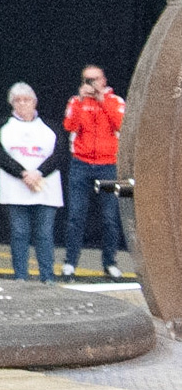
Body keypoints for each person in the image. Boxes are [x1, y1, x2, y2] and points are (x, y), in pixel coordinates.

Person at [61, 64, 126, 280]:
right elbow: (69, 126)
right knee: (76, 216)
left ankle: (110, 263)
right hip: (81, 164)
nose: (91, 84)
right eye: (87, 80)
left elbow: (120, 125)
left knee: (110, 217)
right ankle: (70, 262)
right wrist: (81, 101)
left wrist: (101, 100)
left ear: (104, 80)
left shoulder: (115, 101)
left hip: (108, 164)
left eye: (95, 79)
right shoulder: (75, 101)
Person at [0, 82, 65, 283]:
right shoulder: (4, 126)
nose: (23, 104)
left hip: (45, 190)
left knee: (44, 234)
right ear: (12, 103)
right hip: (15, 190)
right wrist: (23, 173)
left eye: (27, 100)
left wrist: (39, 172)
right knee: (19, 233)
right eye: (18, 100)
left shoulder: (49, 127)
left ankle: (47, 276)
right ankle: (20, 276)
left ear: (35, 102)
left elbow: (59, 153)